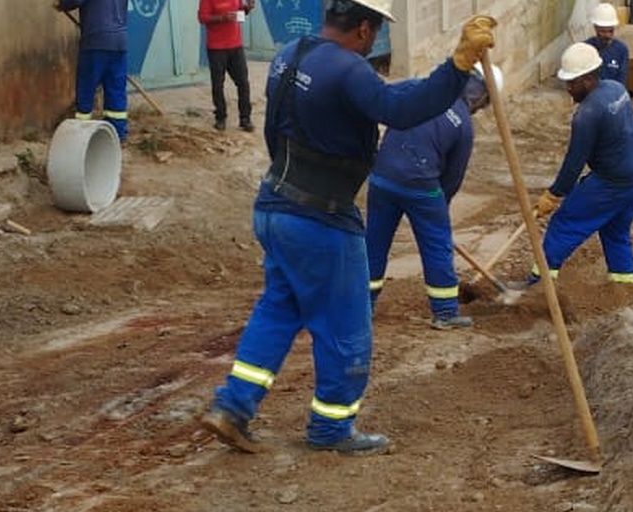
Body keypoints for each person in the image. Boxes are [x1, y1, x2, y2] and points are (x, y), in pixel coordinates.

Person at [199, 1, 496, 456]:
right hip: (321, 218)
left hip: (275, 203)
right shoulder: (348, 70)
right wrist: (457, 66)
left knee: (278, 309)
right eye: (375, 33)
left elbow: (274, 132)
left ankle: (232, 406)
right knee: (346, 327)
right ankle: (331, 427)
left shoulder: (289, 54)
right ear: (362, 27)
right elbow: (400, 108)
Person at [365, 64, 502, 331]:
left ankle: (362, 306)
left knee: (374, 242)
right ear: (482, 95)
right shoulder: (462, 123)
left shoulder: (416, 86)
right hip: (422, 186)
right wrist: (439, 214)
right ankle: (446, 312)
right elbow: (452, 178)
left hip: (382, 177)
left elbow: (382, 102)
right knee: (437, 246)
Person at [514, 42, 633, 286]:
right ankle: (622, 286)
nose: (568, 88)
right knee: (615, 230)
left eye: (572, 82)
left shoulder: (587, 114)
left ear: (588, 79)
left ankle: (539, 283)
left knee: (565, 223)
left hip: (613, 183)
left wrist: (554, 195)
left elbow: (574, 163)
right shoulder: (616, 88)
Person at [55, 0, 130, 143]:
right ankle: (118, 134)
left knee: (86, 87)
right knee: (116, 90)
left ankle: (82, 132)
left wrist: (60, 4)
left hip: (96, 41)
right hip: (119, 41)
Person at [198, 0, 255, 132]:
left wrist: (248, 8)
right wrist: (222, 17)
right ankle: (220, 118)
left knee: (243, 83)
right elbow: (202, 18)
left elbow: (240, 11)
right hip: (216, 48)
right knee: (218, 84)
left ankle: (245, 119)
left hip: (236, 45)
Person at [585, 3, 629, 86]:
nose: (607, 35)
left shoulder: (621, 50)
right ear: (595, 28)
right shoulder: (586, 48)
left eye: (610, 31)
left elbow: (621, 82)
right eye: (603, 31)